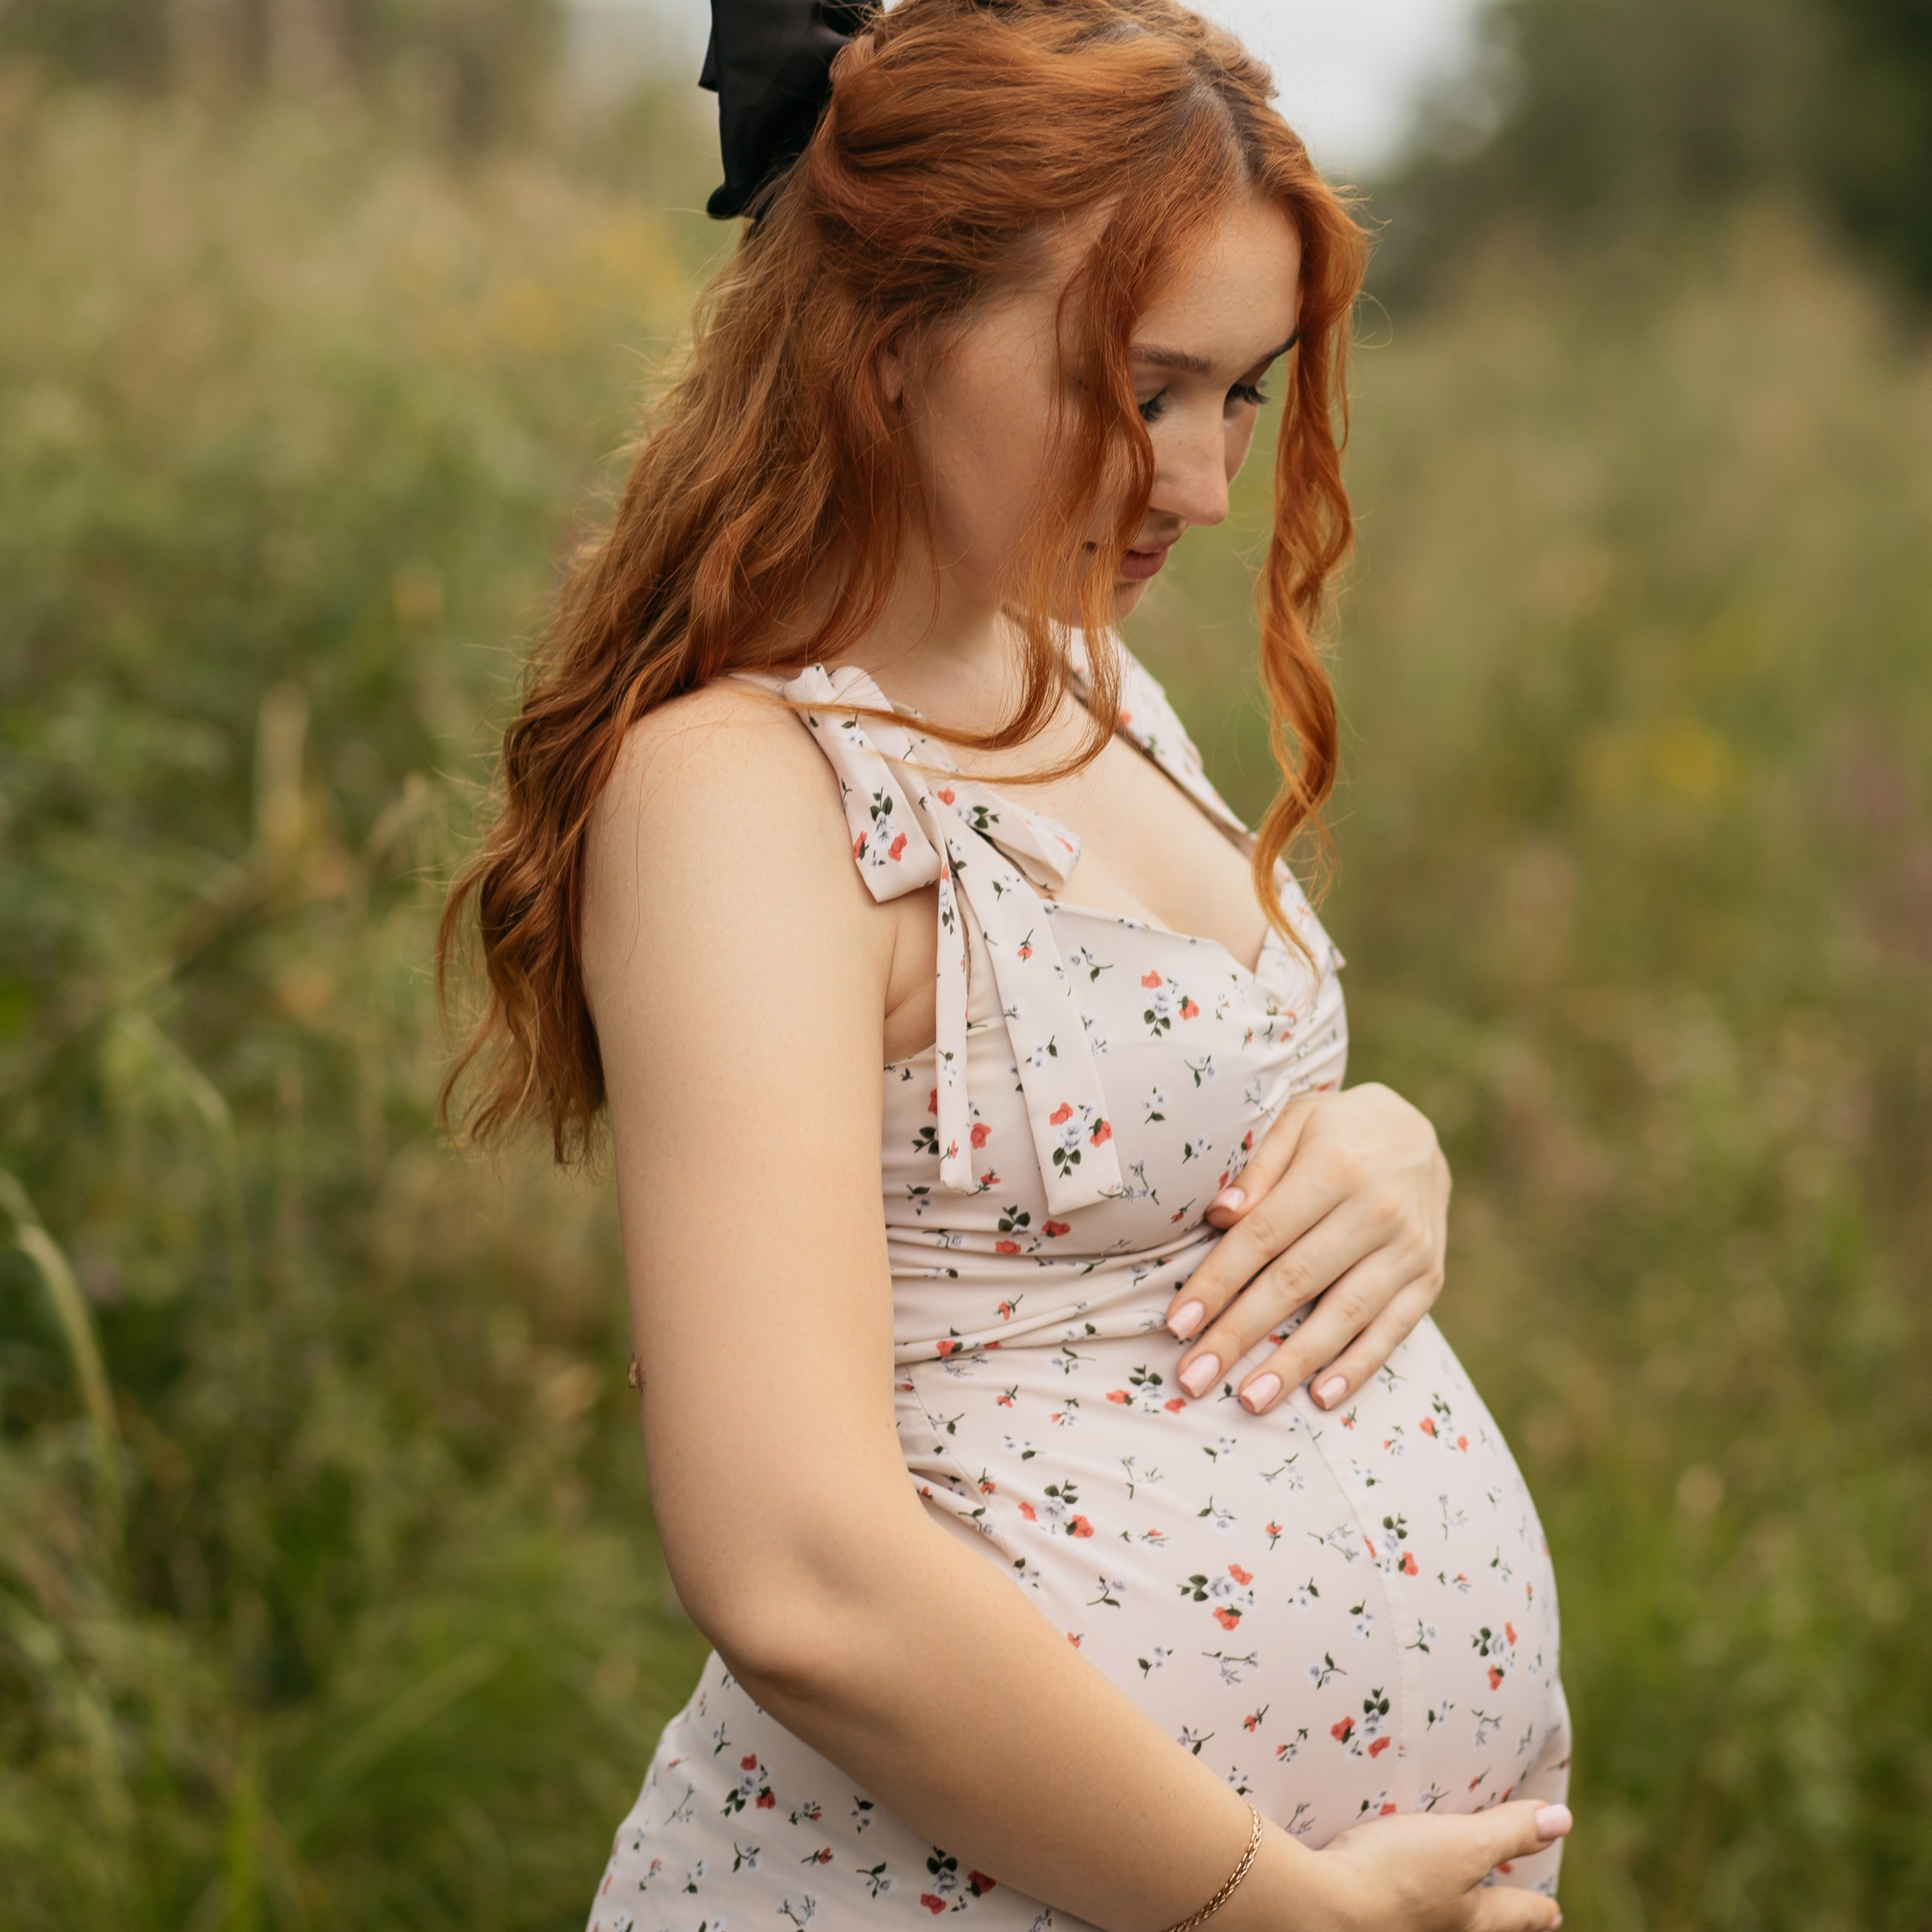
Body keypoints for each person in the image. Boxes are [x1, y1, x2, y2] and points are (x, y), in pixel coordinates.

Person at [441, 2, 1572, 1927]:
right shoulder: (742, 793)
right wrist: (1286, 1910)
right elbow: (798, 1571)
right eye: (1138, 388)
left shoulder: (1083, 683)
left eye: (1238, 394)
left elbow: (1182, 1138)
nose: (1204, 484)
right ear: (883, 340)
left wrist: (1388, 1144)